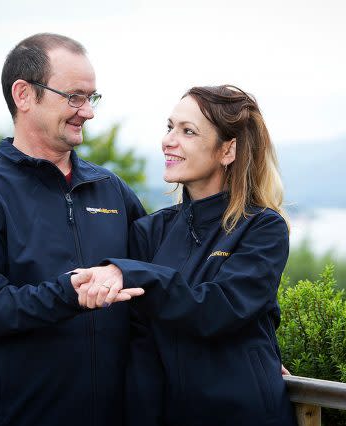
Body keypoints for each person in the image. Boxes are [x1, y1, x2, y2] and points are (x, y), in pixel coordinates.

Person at [0, 33, 146, 426]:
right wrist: (69, 294)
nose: (87, 111)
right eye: (74, 96)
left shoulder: (110, 188)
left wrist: (243, 355)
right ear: (24, 95)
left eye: (92, 97)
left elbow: (165, 274)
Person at [72, 85, 297, 425]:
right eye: (169, 127)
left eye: (188, 131)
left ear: (228, 150)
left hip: (244, 414)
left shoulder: (263, 229)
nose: (168, 140)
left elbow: (219, 308)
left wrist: (132, 274)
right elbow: (138, 343)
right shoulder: (150, 232)